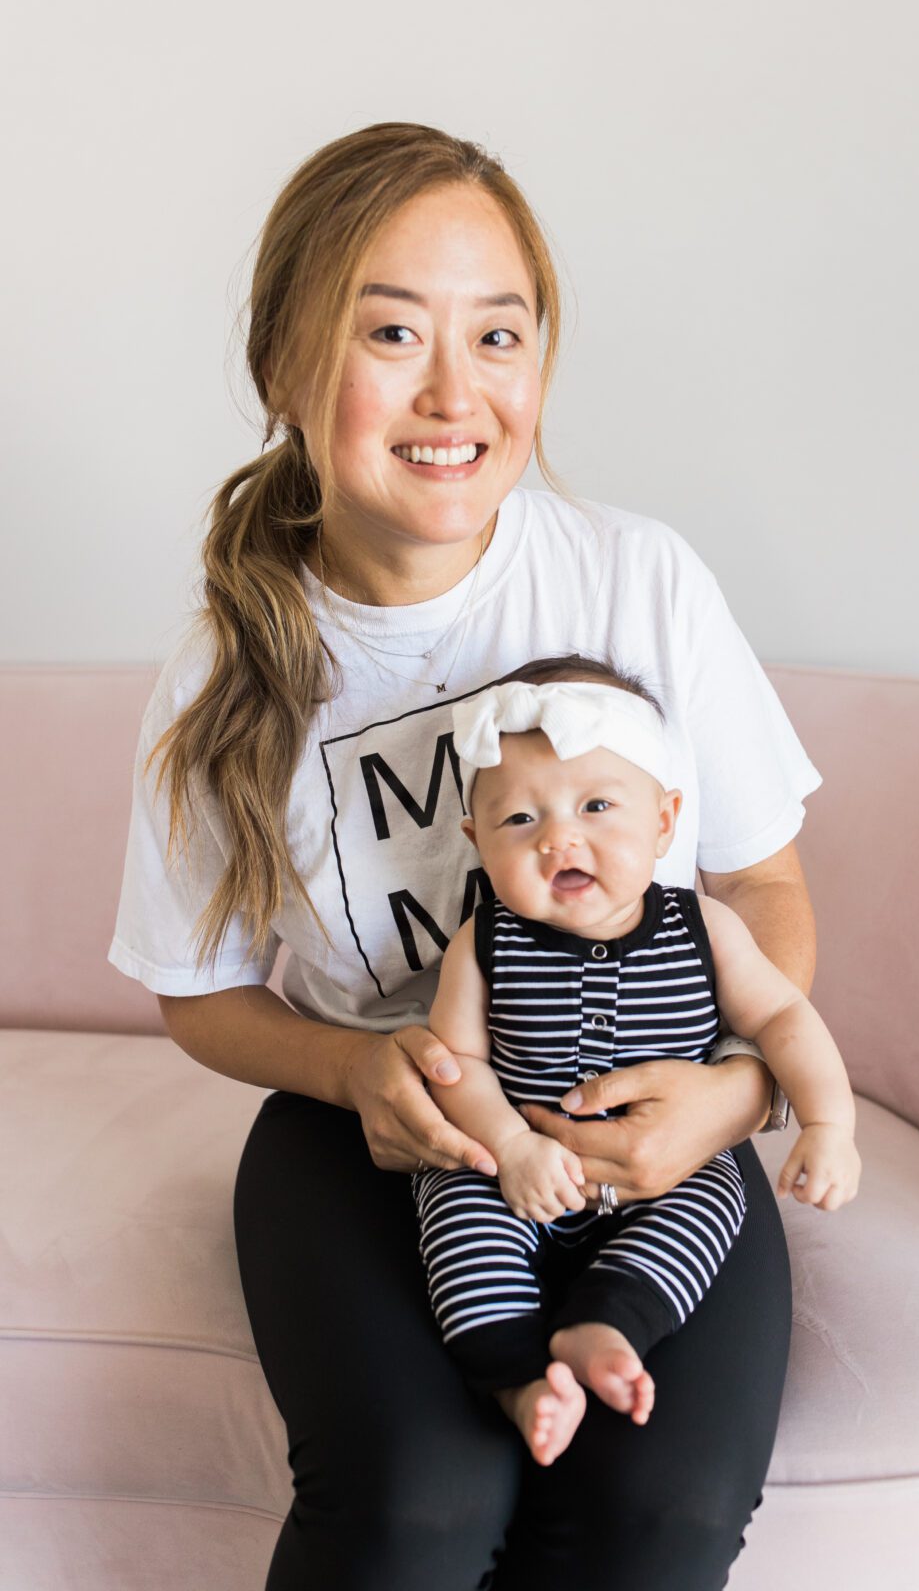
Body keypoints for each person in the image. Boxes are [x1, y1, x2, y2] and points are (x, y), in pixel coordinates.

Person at [108, 120, 824, 1590]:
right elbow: (199, 995)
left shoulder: (633, 581)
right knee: (419, 1506)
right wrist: (357, 1071)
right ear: (288, 372)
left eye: (496, 333)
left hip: (654, 1130)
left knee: (657, 1523)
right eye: (389, 332)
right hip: (374, 1138)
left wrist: (733, 1094)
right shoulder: (226, 667)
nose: (453, 393)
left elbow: (760, 890)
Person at [415, 660, 860, 1468]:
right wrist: (510, 1148)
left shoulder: (706, 927)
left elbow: (784, 1016)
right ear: (476, 844)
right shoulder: (480, 945)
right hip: (515, 1166)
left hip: (671, 1167)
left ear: (664, 822)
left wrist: (829, 1122)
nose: (558, 837)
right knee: (455, 1214)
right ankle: (518, 1381)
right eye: (518, 819)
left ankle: (606, 1329)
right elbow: (458, 1068)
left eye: (596, 806)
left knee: (707, 1207)